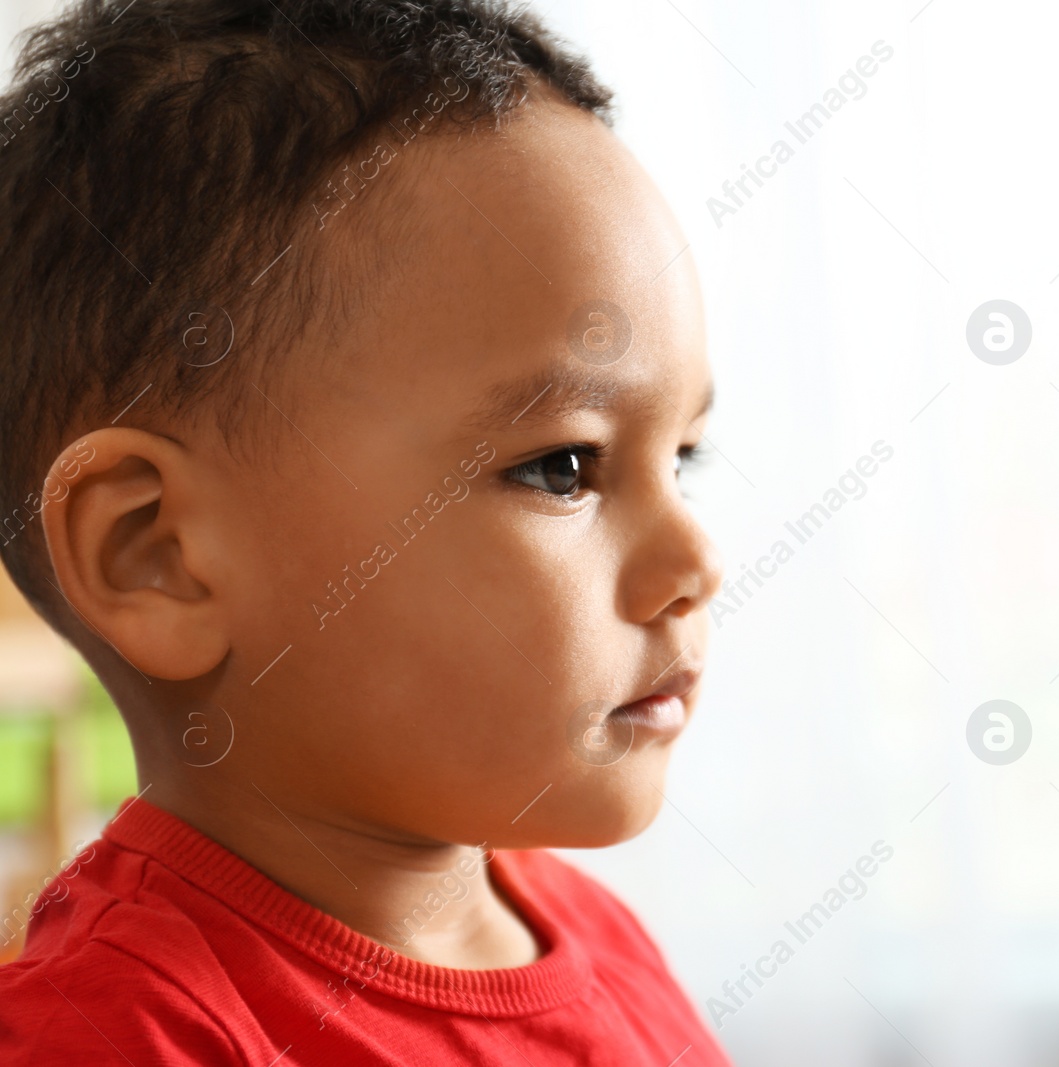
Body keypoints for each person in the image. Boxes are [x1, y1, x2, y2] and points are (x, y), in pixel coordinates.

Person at [0, 0, 729, 1060]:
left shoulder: (594, 936)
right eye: (561, 465)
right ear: (157, 553)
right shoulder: (116, 1032)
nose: (697, 561)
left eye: (684, 460)